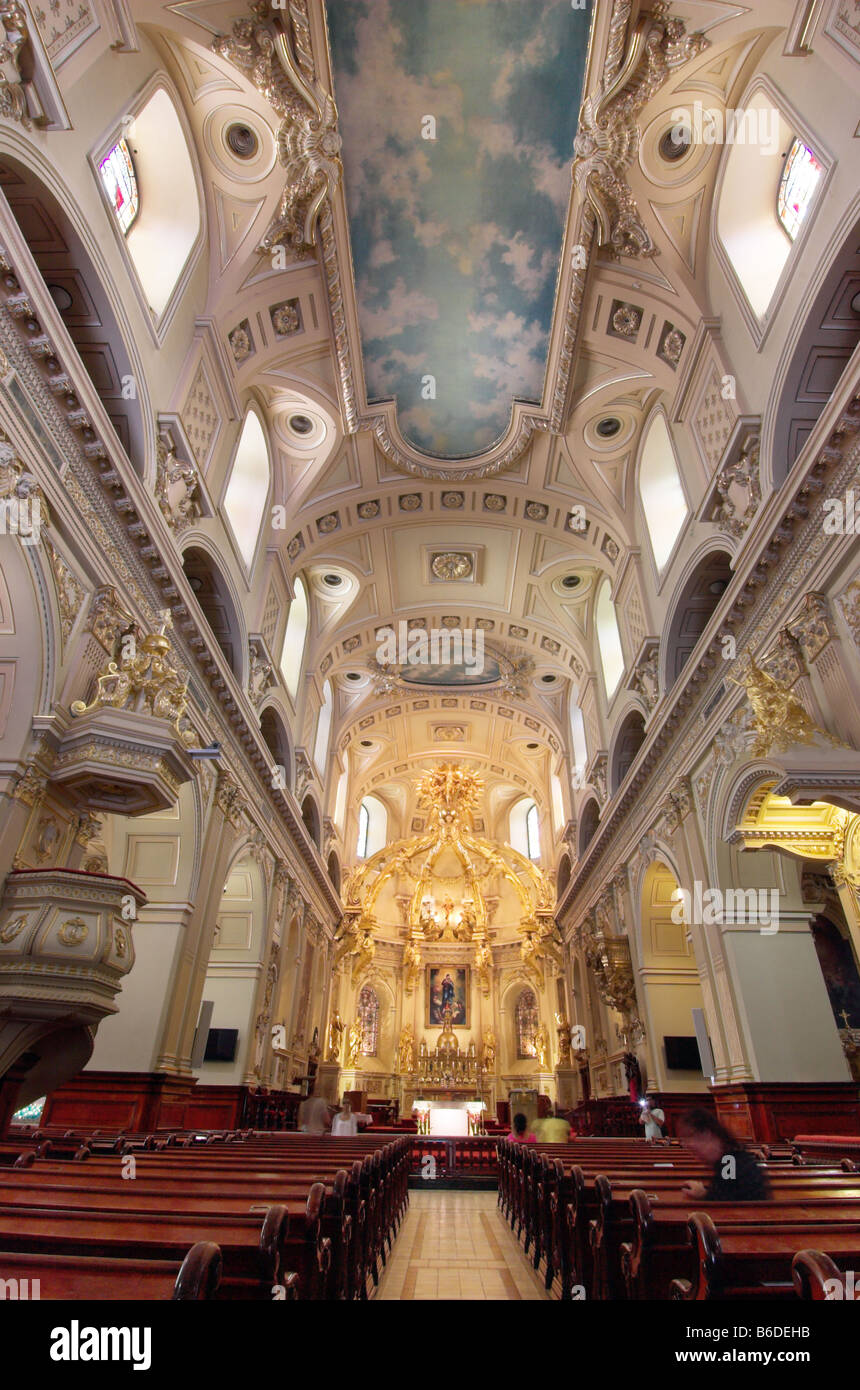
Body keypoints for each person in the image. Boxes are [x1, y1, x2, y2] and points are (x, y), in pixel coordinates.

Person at [677, 1108, 772, 1202]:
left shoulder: (730, 1160)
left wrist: (703, 1194)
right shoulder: (730, 1156)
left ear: (706, 1135)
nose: (697, 1157)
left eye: (690, 1136)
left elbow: (729, 1203)